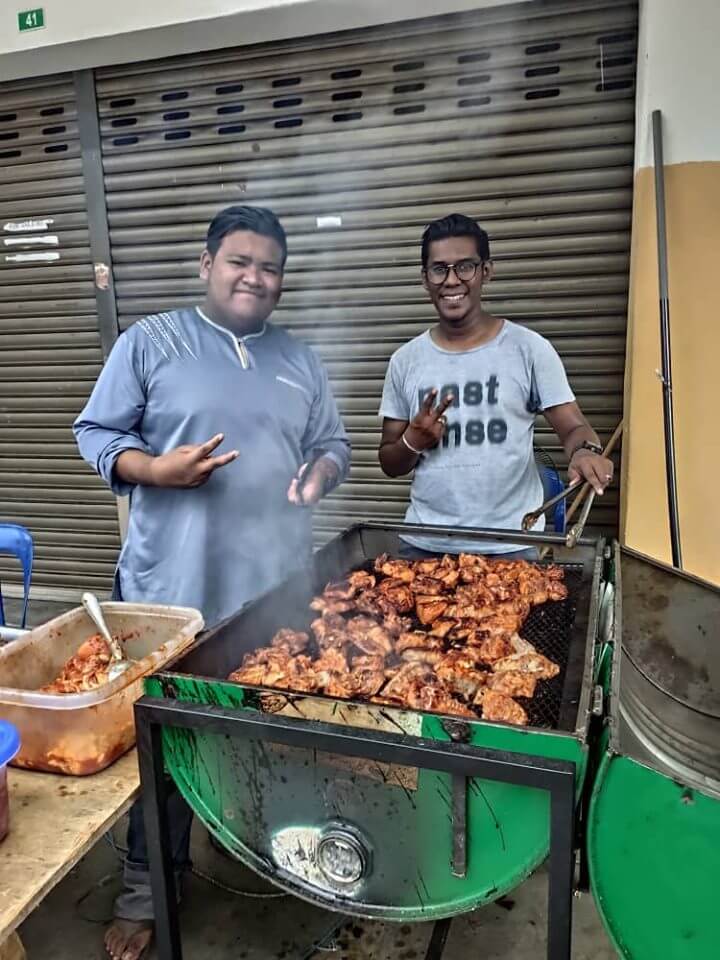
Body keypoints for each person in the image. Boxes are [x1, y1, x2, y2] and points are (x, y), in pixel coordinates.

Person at [74, 205, 350, 960]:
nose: (255, 278)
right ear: (206, 265)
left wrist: (320, 474)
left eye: (270, 268)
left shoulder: (300, 359)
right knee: (162, 751)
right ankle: (146, 893)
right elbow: (95, 433)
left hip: (272, 593)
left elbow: (332, 443)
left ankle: (277, 858)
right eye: (239, 261)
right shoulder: (151, 342)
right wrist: (154, 469)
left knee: (273, 738)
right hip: (171, 594)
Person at [378, 213, 613, 558]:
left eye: (465, 267)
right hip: (424, 544)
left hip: (511, 545)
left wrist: (585, 451)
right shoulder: (405, 360)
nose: (452, 280)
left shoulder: (528, 349)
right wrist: (413, 441)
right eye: (439, 269)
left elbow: (574, 427)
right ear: (425, 278)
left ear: (486, 271)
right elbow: (389, 462)